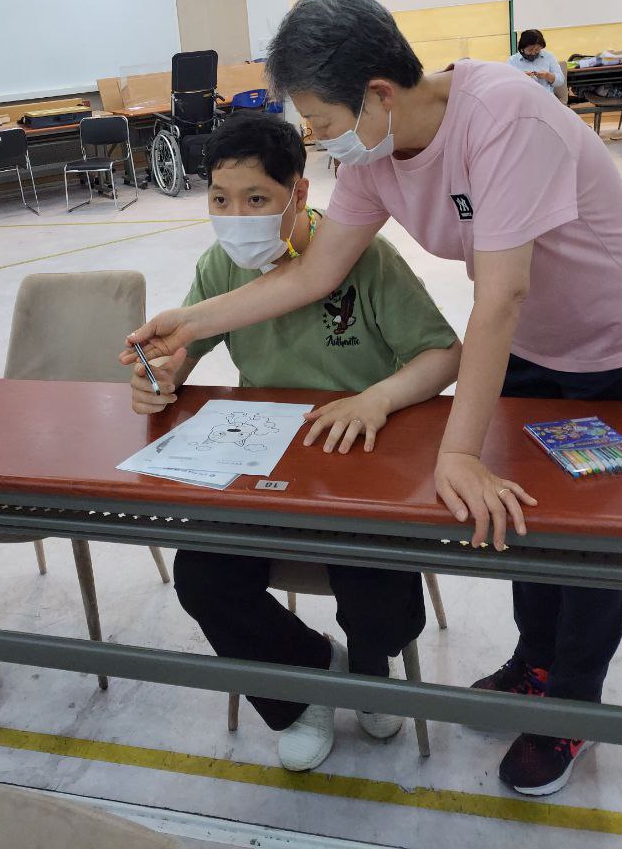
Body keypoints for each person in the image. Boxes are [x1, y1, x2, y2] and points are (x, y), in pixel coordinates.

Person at [126, 0, 622, 798]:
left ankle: (572, 708)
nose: (316, 139)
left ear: (378, 93)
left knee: (591, 531)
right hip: (529, 338)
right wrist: (189, 320)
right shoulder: (374, 154)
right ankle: (534, 662)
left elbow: (500, 295)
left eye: (319, 121)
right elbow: (316, 270)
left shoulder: (502, 118)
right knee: (524, 512)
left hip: (613, 335)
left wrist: (457, 448)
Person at [123, 112, 461, 773]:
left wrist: (378, 397)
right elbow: (181, 356)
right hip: (262, 458)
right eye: (220, 199)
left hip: (359, 456)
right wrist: (157, 380)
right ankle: (305, 683)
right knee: (203, 576)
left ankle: (368, 670)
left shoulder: (363, 258)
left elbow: (443, 355)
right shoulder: (221, 267)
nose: (235, 216)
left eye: (257, 200)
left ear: (299, 194)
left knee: (381, 598)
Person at [507, 30, 567, 102]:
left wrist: (548, 76)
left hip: (546, 99)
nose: (533, 53)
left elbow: (560, 81)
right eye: (530, 50)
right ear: (522, 48)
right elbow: (508, 84)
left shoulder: (549, 57)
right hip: (524, 100)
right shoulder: (512, 61)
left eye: (537, 50)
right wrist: (521, 78)